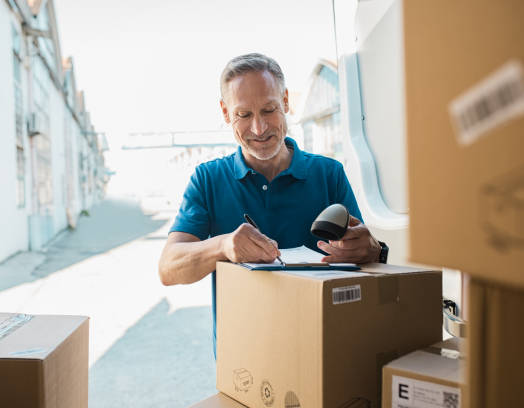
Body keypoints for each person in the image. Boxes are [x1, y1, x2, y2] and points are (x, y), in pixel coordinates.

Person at [158, 53, 387, 355]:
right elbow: (169, 268)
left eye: (269, 109)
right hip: (243, 357)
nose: (259, 128)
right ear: (225, 113)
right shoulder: (208, 179)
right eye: (243, 115)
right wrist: (223, 247)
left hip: (323, 349)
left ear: (286, 101)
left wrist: (372, 250)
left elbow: (366, 257)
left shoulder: (329, 174)